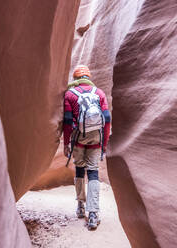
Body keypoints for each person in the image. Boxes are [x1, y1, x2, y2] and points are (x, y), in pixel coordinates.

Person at [63, 65, 111, 230]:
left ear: (75, 79)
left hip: (78, 139)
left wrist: (66, 143)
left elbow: (68, 121)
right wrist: (103, 144)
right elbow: (107, 119)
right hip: (96, 138)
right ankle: (93, 214)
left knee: (79, 170)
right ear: (89, 77)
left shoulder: (70, 94)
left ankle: (81, 206)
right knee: (93, 172)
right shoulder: (99, 93)